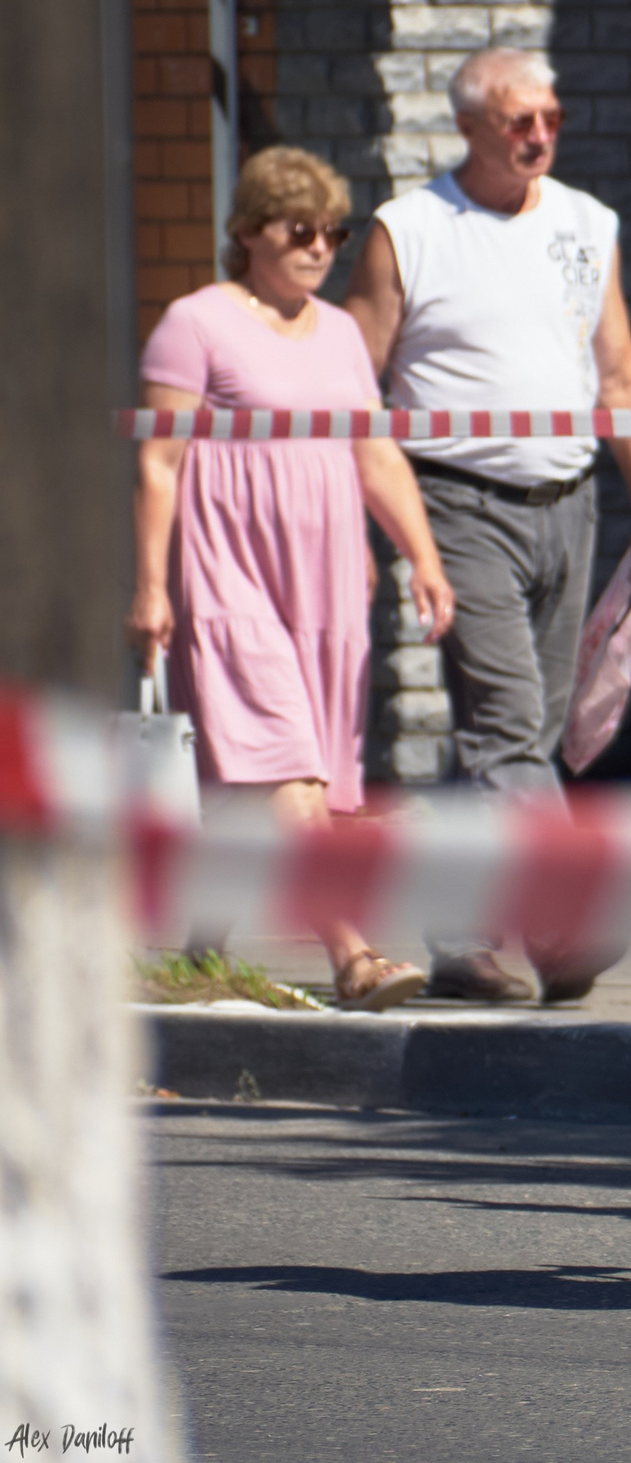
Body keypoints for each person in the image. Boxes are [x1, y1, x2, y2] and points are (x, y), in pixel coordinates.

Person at [343, 46, 631, 1004]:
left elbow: (621, 373)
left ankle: (462, 939)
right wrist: (361, 523)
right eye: (518, 121)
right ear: (469, 128)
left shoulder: (585, 221)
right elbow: (351, 384)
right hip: (456, 502)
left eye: (551, 119)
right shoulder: (409, 230)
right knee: (507, 727)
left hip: (568, 502)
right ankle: (565, 921)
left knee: (522, 735)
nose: (540, 136)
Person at [128, 147, 457, 1012]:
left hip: (326, 582)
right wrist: (151, 586)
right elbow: (159, 464)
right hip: (229, 571)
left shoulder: (342, 332)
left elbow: (375, 454)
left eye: (332, 234)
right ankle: (353, 956)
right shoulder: (194, 323)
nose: (319, 248)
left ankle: (200, 952)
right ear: (248, 232)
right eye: (299, 230)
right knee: (289, 768)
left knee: (286, 776)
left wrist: (422, 556)